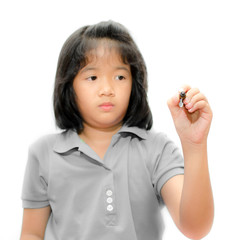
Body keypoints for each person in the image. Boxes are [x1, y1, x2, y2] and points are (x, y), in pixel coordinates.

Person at [20, 20, 214, 240]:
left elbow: (196, 227)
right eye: (92, 77)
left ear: (135, 83)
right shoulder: (44, 153)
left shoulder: (157, 150)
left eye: (120, 77)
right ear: (69, 85)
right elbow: (31, 233)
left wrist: (194, 145)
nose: (107, 89)